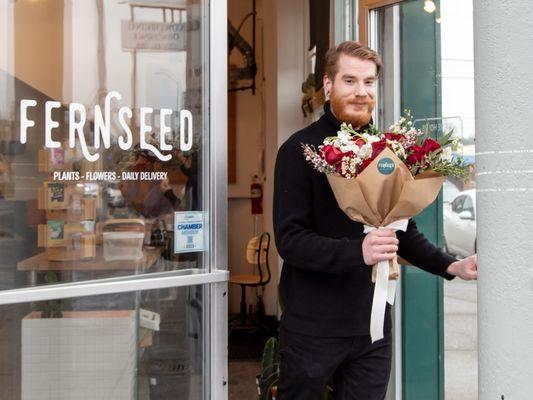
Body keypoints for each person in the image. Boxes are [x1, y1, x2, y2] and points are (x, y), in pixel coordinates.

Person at [272, 41, 477, 400]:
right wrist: (358, 252)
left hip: (372, 328)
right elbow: (291, 240)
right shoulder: (299, 151)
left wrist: (452, 265)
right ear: (328, 84)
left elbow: (402, 230)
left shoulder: (388, 151)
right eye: (349, 81)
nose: (361, 92)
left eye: (369, 82)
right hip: (312, 329)